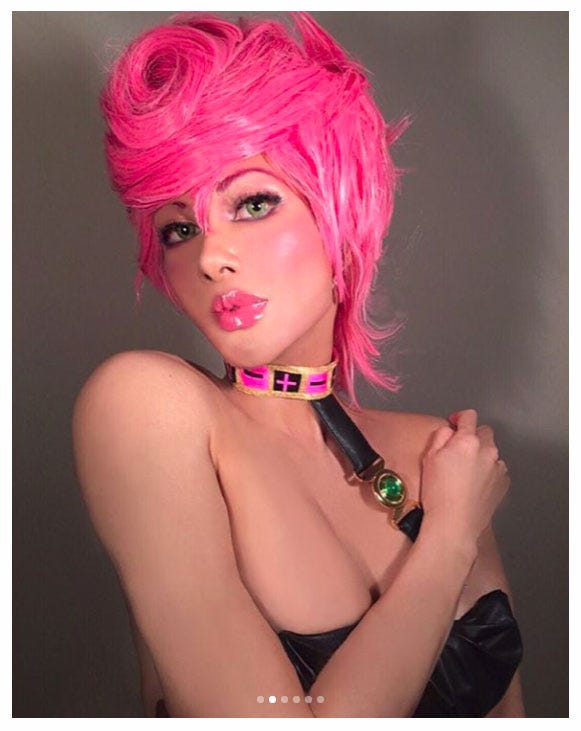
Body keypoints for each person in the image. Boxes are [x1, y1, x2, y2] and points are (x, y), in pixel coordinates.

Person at [72, 12, 524, 717]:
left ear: (340, 209)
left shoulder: (436, 452)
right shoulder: (147, 408)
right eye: (179, 229)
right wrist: (447, 540)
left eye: (252, 203)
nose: (210, 257)